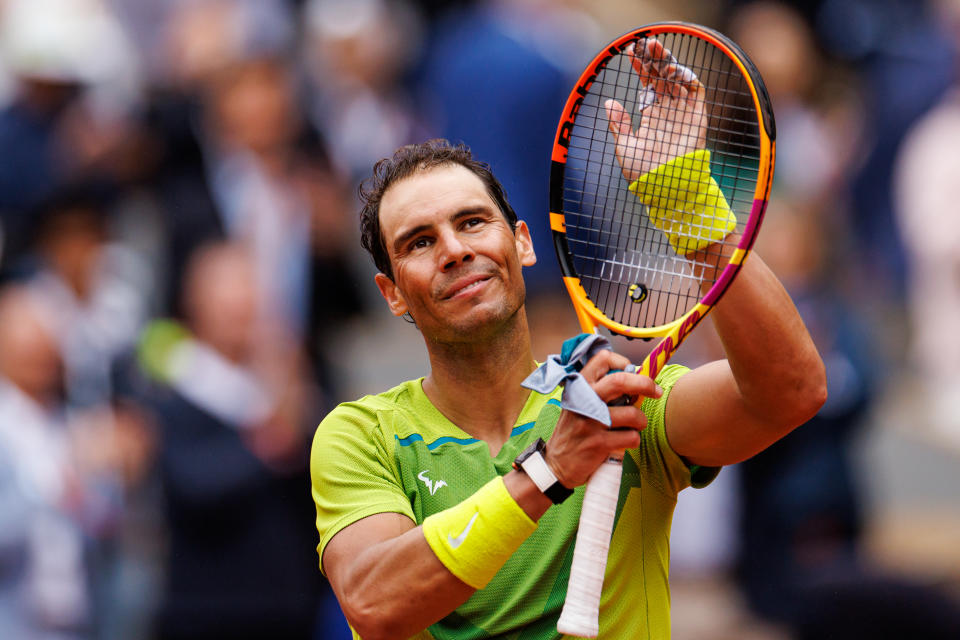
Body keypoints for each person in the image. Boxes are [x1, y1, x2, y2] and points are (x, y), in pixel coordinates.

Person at [311, 39, 827, 640]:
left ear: (522, 244)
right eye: (419, 242)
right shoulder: (360, 435)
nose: (454, 249)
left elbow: (791, 392)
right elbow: (374, 603)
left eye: (472, 221)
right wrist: (550, 471)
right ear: (392, 293)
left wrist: (688, 203)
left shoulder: (628, 404)